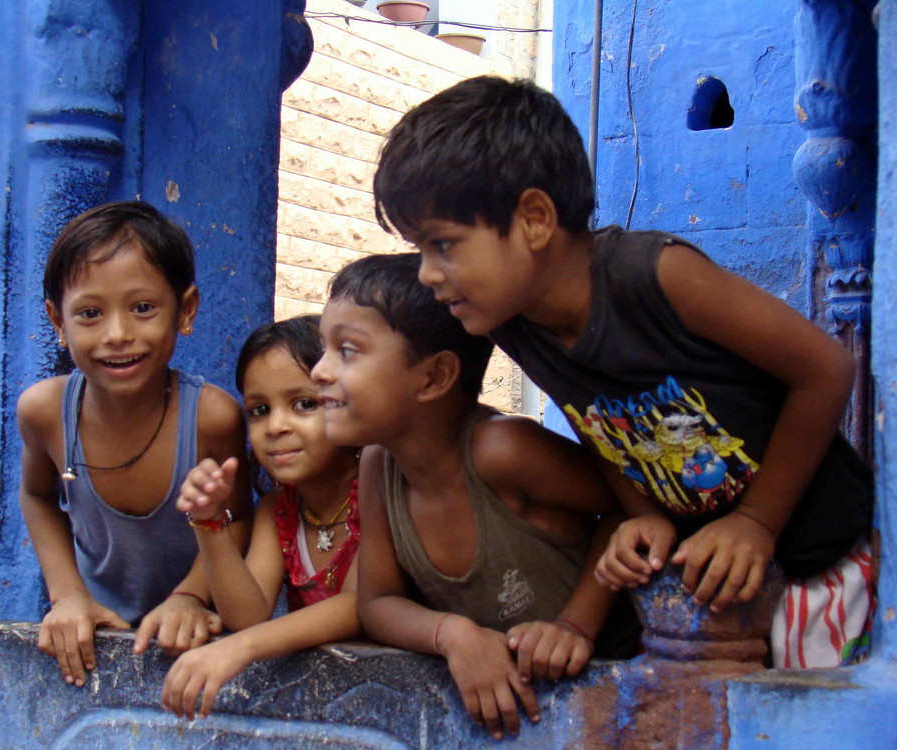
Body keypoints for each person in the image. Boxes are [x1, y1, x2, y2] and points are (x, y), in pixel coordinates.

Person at [372, 75, 876, 668]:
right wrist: (645, 518)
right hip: (717, 584)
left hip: (823, 559)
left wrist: (755, 522)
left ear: (534, 218)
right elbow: (600, 426)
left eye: (443, 245)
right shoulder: (514, 321)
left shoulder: (656, 277)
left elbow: (826, 369)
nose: (428, 274)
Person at [311, 253, 637, 741]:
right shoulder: (379, 462)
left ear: (435, 376)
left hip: (623, 699)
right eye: (323, 349)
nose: (318, 371)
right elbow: (377, 602)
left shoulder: (502, 450)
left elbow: (628, 506)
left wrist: (575, 627)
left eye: (348, 351)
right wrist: (454, 636)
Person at [17, 200, 252, 687]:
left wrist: (192, 596)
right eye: (89, 313)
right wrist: (66, 595)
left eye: (142, 308)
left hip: (195, 642)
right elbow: (38, 497)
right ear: (57, 322)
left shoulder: (211, 417)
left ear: (185, 310)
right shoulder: (44, 412)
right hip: (93, 639)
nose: (118, 334)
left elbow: (239, 517)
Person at [162, 316, 362, 720]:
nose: (276, 426)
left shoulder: (378, 495)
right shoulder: (280, 509)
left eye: (304, 404)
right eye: (259, 410)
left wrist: (242, 648)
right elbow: (248, 614)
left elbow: (358, 606)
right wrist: (210, 521)